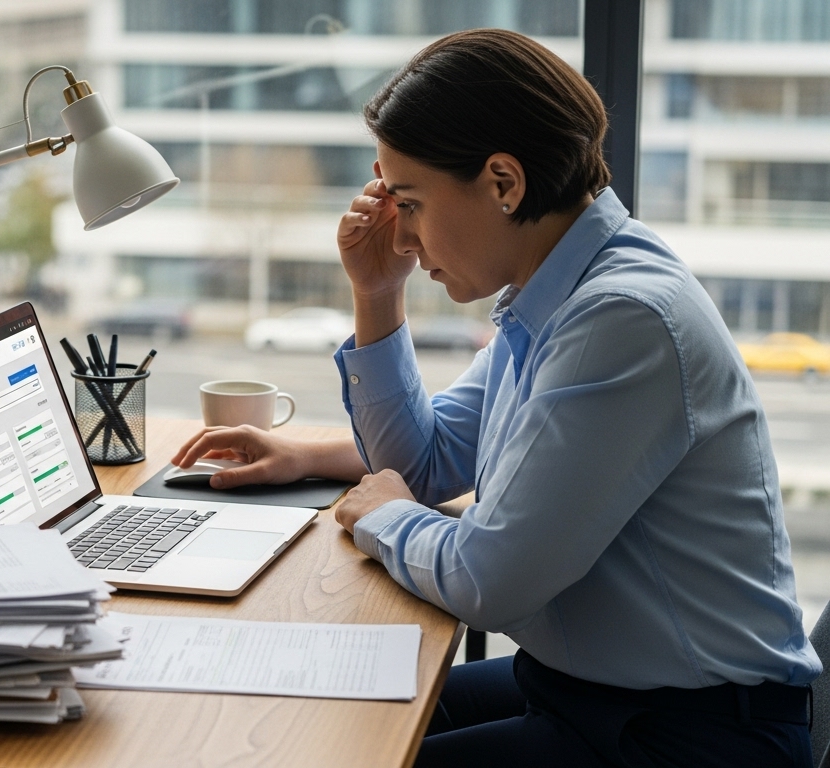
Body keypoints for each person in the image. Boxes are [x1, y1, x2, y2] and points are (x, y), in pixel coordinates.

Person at [171, 28, 820, 767]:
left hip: (694, 736)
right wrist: (377, 295)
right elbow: (429, 460)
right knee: (330, 716)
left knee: (340, 750)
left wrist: (383, 513)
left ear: (504, 183)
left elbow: (488, 581)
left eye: (410, 202)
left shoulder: (623, 318)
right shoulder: (555, 297)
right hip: (594, 692)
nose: (404, 237)